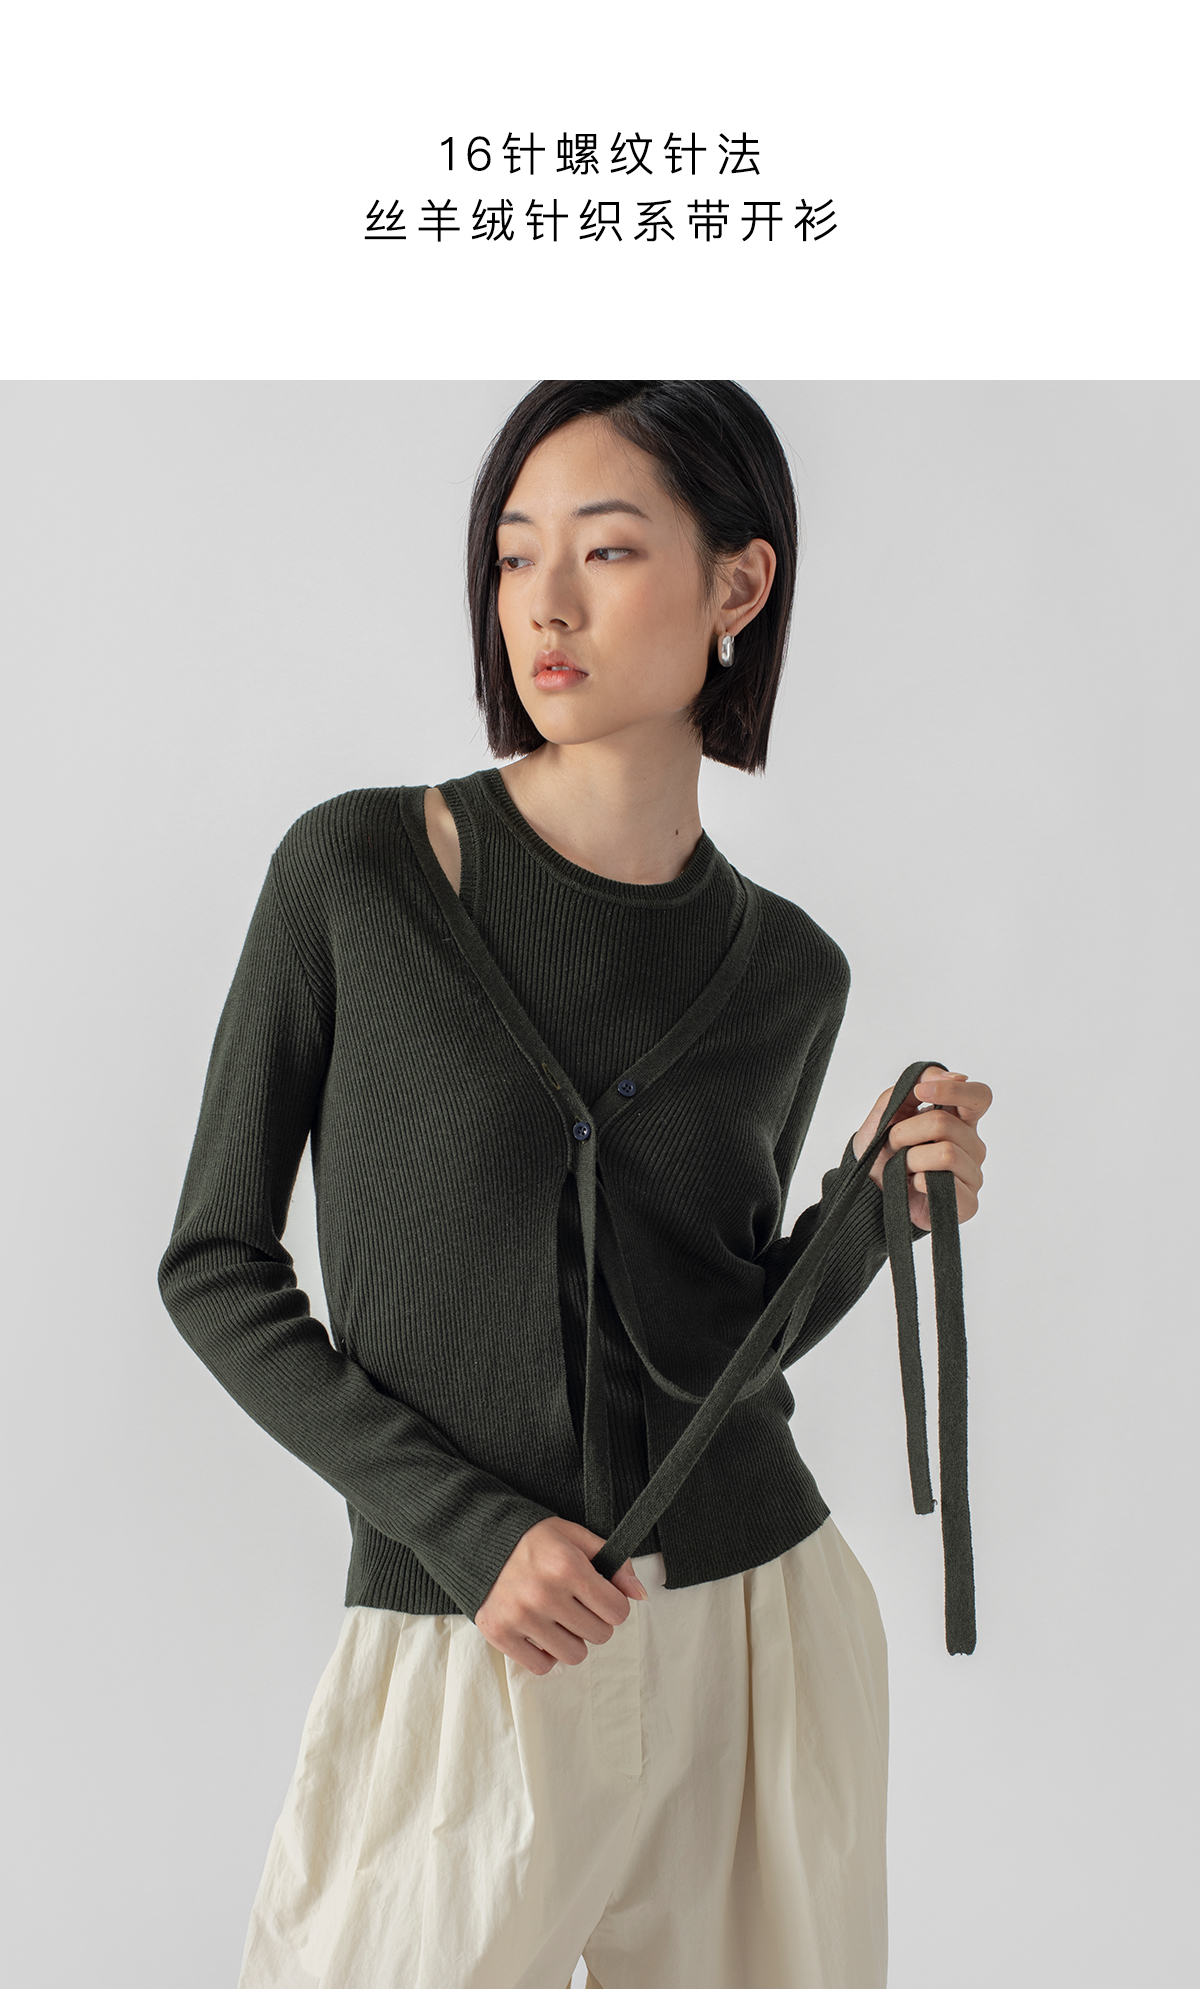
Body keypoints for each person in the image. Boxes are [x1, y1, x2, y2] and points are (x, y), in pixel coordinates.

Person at [158, 379, 990, 1989]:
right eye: (513, 552)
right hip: (463, 1628)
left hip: (755, 1635)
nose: (543, 602)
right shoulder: (354, 875)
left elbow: (710, 1335)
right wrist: (470, 1533)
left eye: (605, 550)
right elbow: (213, 1264)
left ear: (738, 585)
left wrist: (882, 1211)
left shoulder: (789, 972)